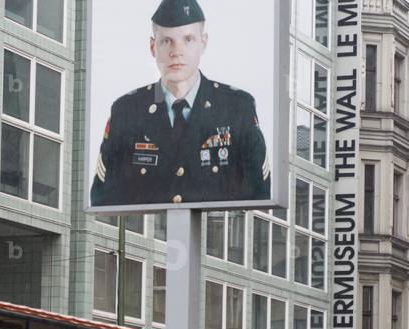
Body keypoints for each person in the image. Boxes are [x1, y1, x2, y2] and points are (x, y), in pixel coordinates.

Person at [90, 0, 272, 207]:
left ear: (203, 43)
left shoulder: (237, 108)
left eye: (188, 39)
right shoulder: (127, 111)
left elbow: (259, 194)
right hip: (154, 238)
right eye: (167, 41)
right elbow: (102, 199)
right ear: (152, 47)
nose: (177, 51)